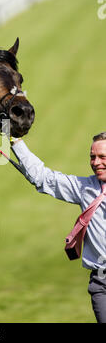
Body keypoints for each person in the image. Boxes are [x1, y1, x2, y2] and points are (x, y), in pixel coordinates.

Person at [10, 132, 106, 323]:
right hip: (101, 284)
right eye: (92, 157)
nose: (95, 163)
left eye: (102, 157)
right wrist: (15, 141)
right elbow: (43, 178)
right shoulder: (85, 188)